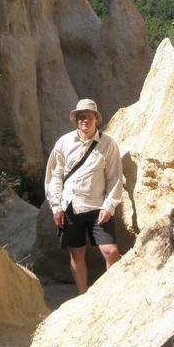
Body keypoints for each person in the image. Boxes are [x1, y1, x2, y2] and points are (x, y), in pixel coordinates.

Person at [45, 98, 122, 294]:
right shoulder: (64, 143)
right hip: (70, 207)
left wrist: (109, 206)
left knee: (111, 252)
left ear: (96, 118)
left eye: (88, 116)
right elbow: (54, 176)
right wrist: (56, 207)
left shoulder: (108, 144)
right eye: (81, 117)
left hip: (97, 207)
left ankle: (115, 294)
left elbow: (114, 178)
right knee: (76, 253)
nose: (85, 120)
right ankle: (83, 296)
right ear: (76, 120)